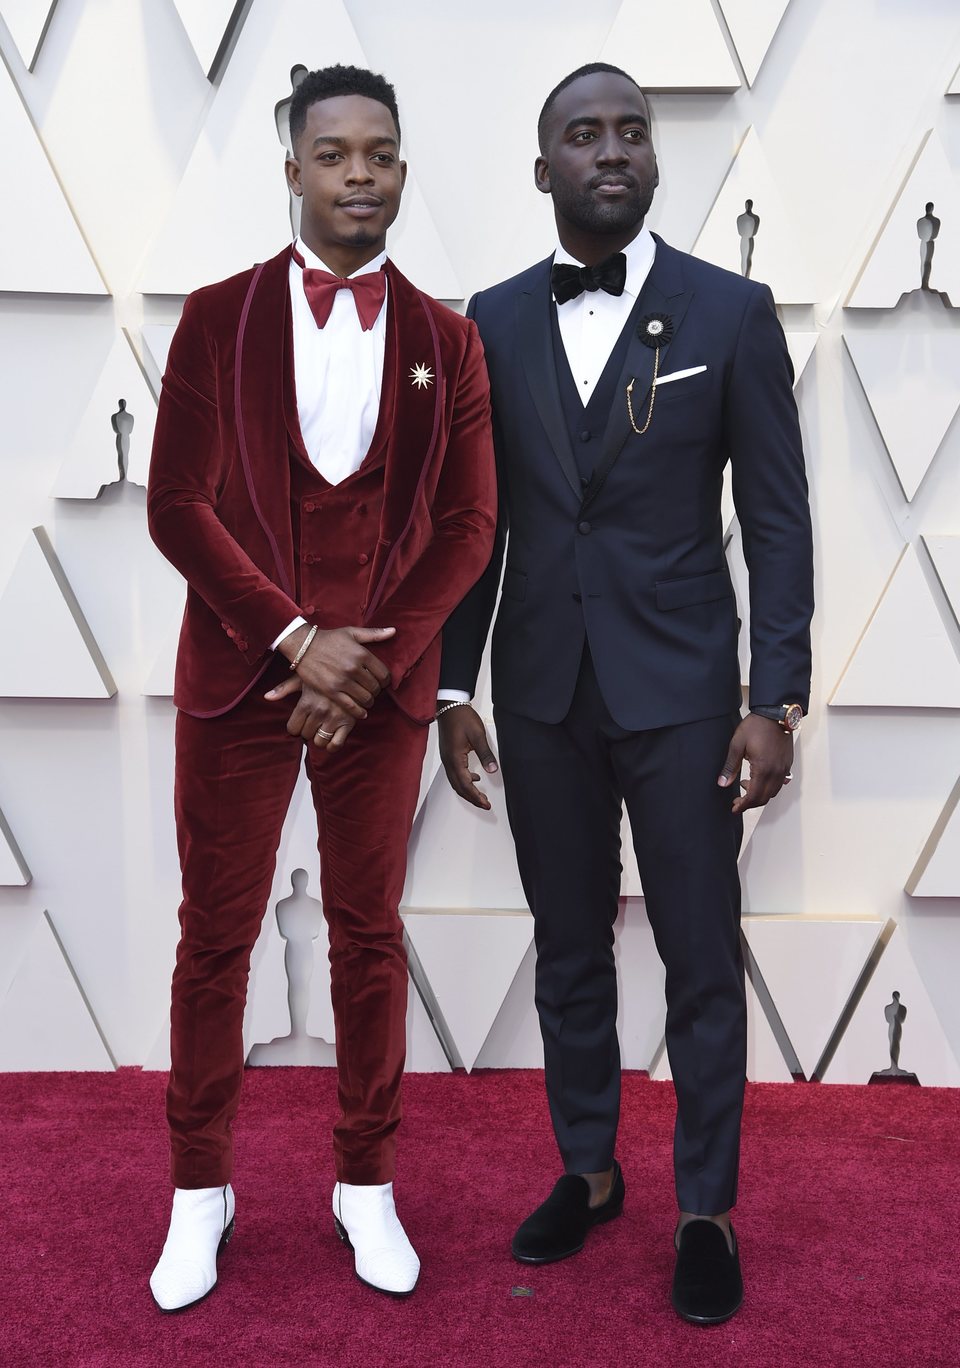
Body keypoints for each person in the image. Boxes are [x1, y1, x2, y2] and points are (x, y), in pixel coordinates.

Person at [437, 62, 813, 1325]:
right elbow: (471, 528)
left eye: (631, 133)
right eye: (582, 135)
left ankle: (703, 1207)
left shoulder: (731, 312)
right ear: (542, 169)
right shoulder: (487, 320)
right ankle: (589, 1173)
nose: (612, 150)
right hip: (540, 688)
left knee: (702, 956)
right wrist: (448, 686)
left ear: (656, 162)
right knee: (567, 948)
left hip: (690, 695)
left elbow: (776, 523)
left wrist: (777, 698)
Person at [146, 63, 496, 1310]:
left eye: (383, 154)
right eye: (336, 153)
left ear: (404, 171)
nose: (361, 174)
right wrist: (299, 640)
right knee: (215, 941)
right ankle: (202, 1193)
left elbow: (467, 525)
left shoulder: (446, 342)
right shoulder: (214, 315)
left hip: (381, 691)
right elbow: (176, 507)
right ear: (292, 168)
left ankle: (366, 1187)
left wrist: (376, 662)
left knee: (367, 939)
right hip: (242, 679)